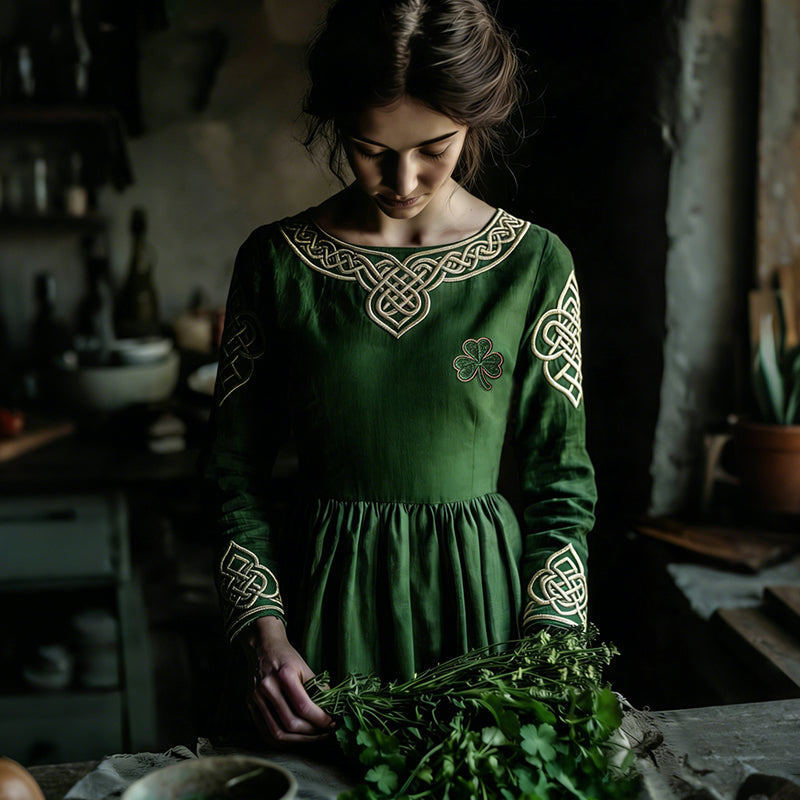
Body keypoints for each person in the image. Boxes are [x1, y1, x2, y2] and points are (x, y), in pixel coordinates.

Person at [200, 0, 596, 747]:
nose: (403, 178)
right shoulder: (276, 264)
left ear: (475, 124)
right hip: (319, 625)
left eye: (434, 149)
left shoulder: (535, 265)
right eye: (370, 148)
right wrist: (262, 635)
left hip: (482, 614)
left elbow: (560, 482)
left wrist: (550, 649)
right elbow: (230, 477)